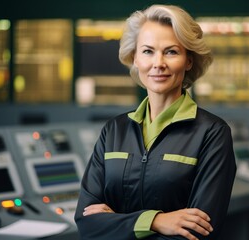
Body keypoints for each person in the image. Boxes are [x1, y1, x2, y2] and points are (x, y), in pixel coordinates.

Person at [75, 4, 236, 240]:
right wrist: (157, 221)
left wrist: (116, 223)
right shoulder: (114, 131)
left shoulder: (212, 133)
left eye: (171, 52)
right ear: (135, 58)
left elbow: (197, 233)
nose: (158, 63)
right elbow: (87, 223)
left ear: (188, 60)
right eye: (148, 51)